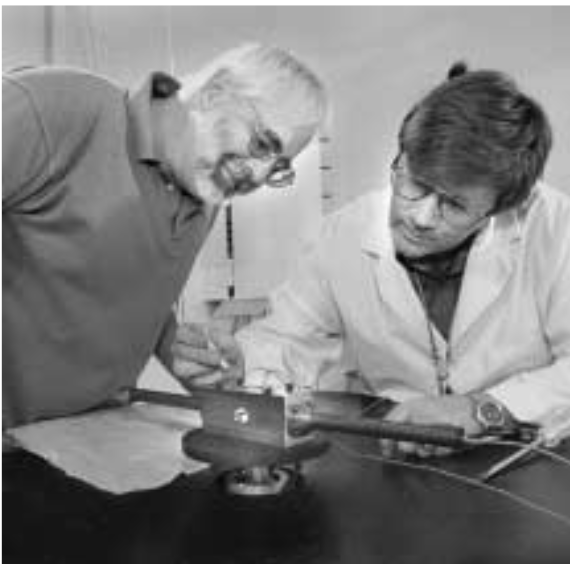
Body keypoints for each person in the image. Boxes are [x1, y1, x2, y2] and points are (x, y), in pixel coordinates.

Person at [174, 62, 570, 457]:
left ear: (499, 208)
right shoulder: (343, 236)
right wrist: (239, 362)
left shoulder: (555, 229)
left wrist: (483, 409)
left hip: (532, 454)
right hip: (398, 452)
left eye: (454, 205)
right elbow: (287, 337)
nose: (421, 217)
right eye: (416, 182)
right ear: (401, 155)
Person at [2, 43, 327, 428]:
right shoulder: (49, 109)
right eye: (261, 144)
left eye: (277, 167)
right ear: (214, 94)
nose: (257, 176)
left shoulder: (206, 194)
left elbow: (125, 292)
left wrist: (190, 357)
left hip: (87, 436)